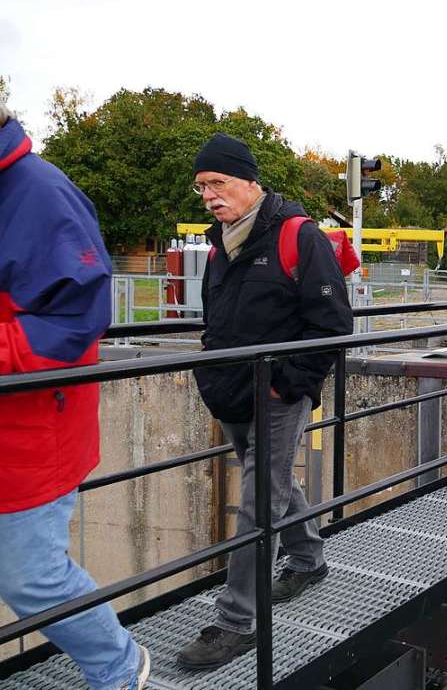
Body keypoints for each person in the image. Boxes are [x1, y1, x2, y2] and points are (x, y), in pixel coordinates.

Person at [177, 133, 353, 670]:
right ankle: (306, 558)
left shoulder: (299, 237)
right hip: (231, 390)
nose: (209, 195)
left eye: (218, 182)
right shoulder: (220, 243)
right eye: (202, 185)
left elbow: (333, 326)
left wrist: (287, 383)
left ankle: (236, 621)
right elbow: (218, 323)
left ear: (250, 181)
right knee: (274, 482)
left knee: (258, 502)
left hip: (277, 392)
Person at [0, 105, 150, 689]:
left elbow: (81, 315)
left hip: (29, 430)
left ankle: (118, 663)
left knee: (31, 576)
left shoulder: (38, 192)